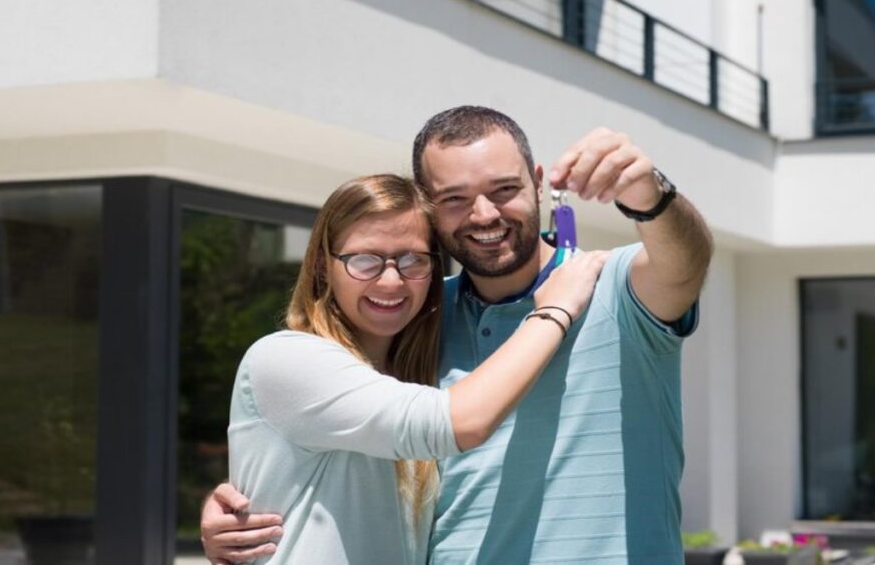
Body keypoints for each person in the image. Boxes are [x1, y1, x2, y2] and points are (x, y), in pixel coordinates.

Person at [202, 108, 713, 564]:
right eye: (455, 199)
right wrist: (253, 499)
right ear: (428, 207)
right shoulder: (414, 313)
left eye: (504, 189)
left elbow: (686, 262)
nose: (485, 214)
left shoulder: (609, 283)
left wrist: (652, 196)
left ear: (538, 182)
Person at [225, 173, 608, 564]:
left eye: (412, 260)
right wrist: (554, 311)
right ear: (324, 267)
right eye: (364, 260)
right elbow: (461, 422)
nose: (391, 280)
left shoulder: (412, 376)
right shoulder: (287, 360)